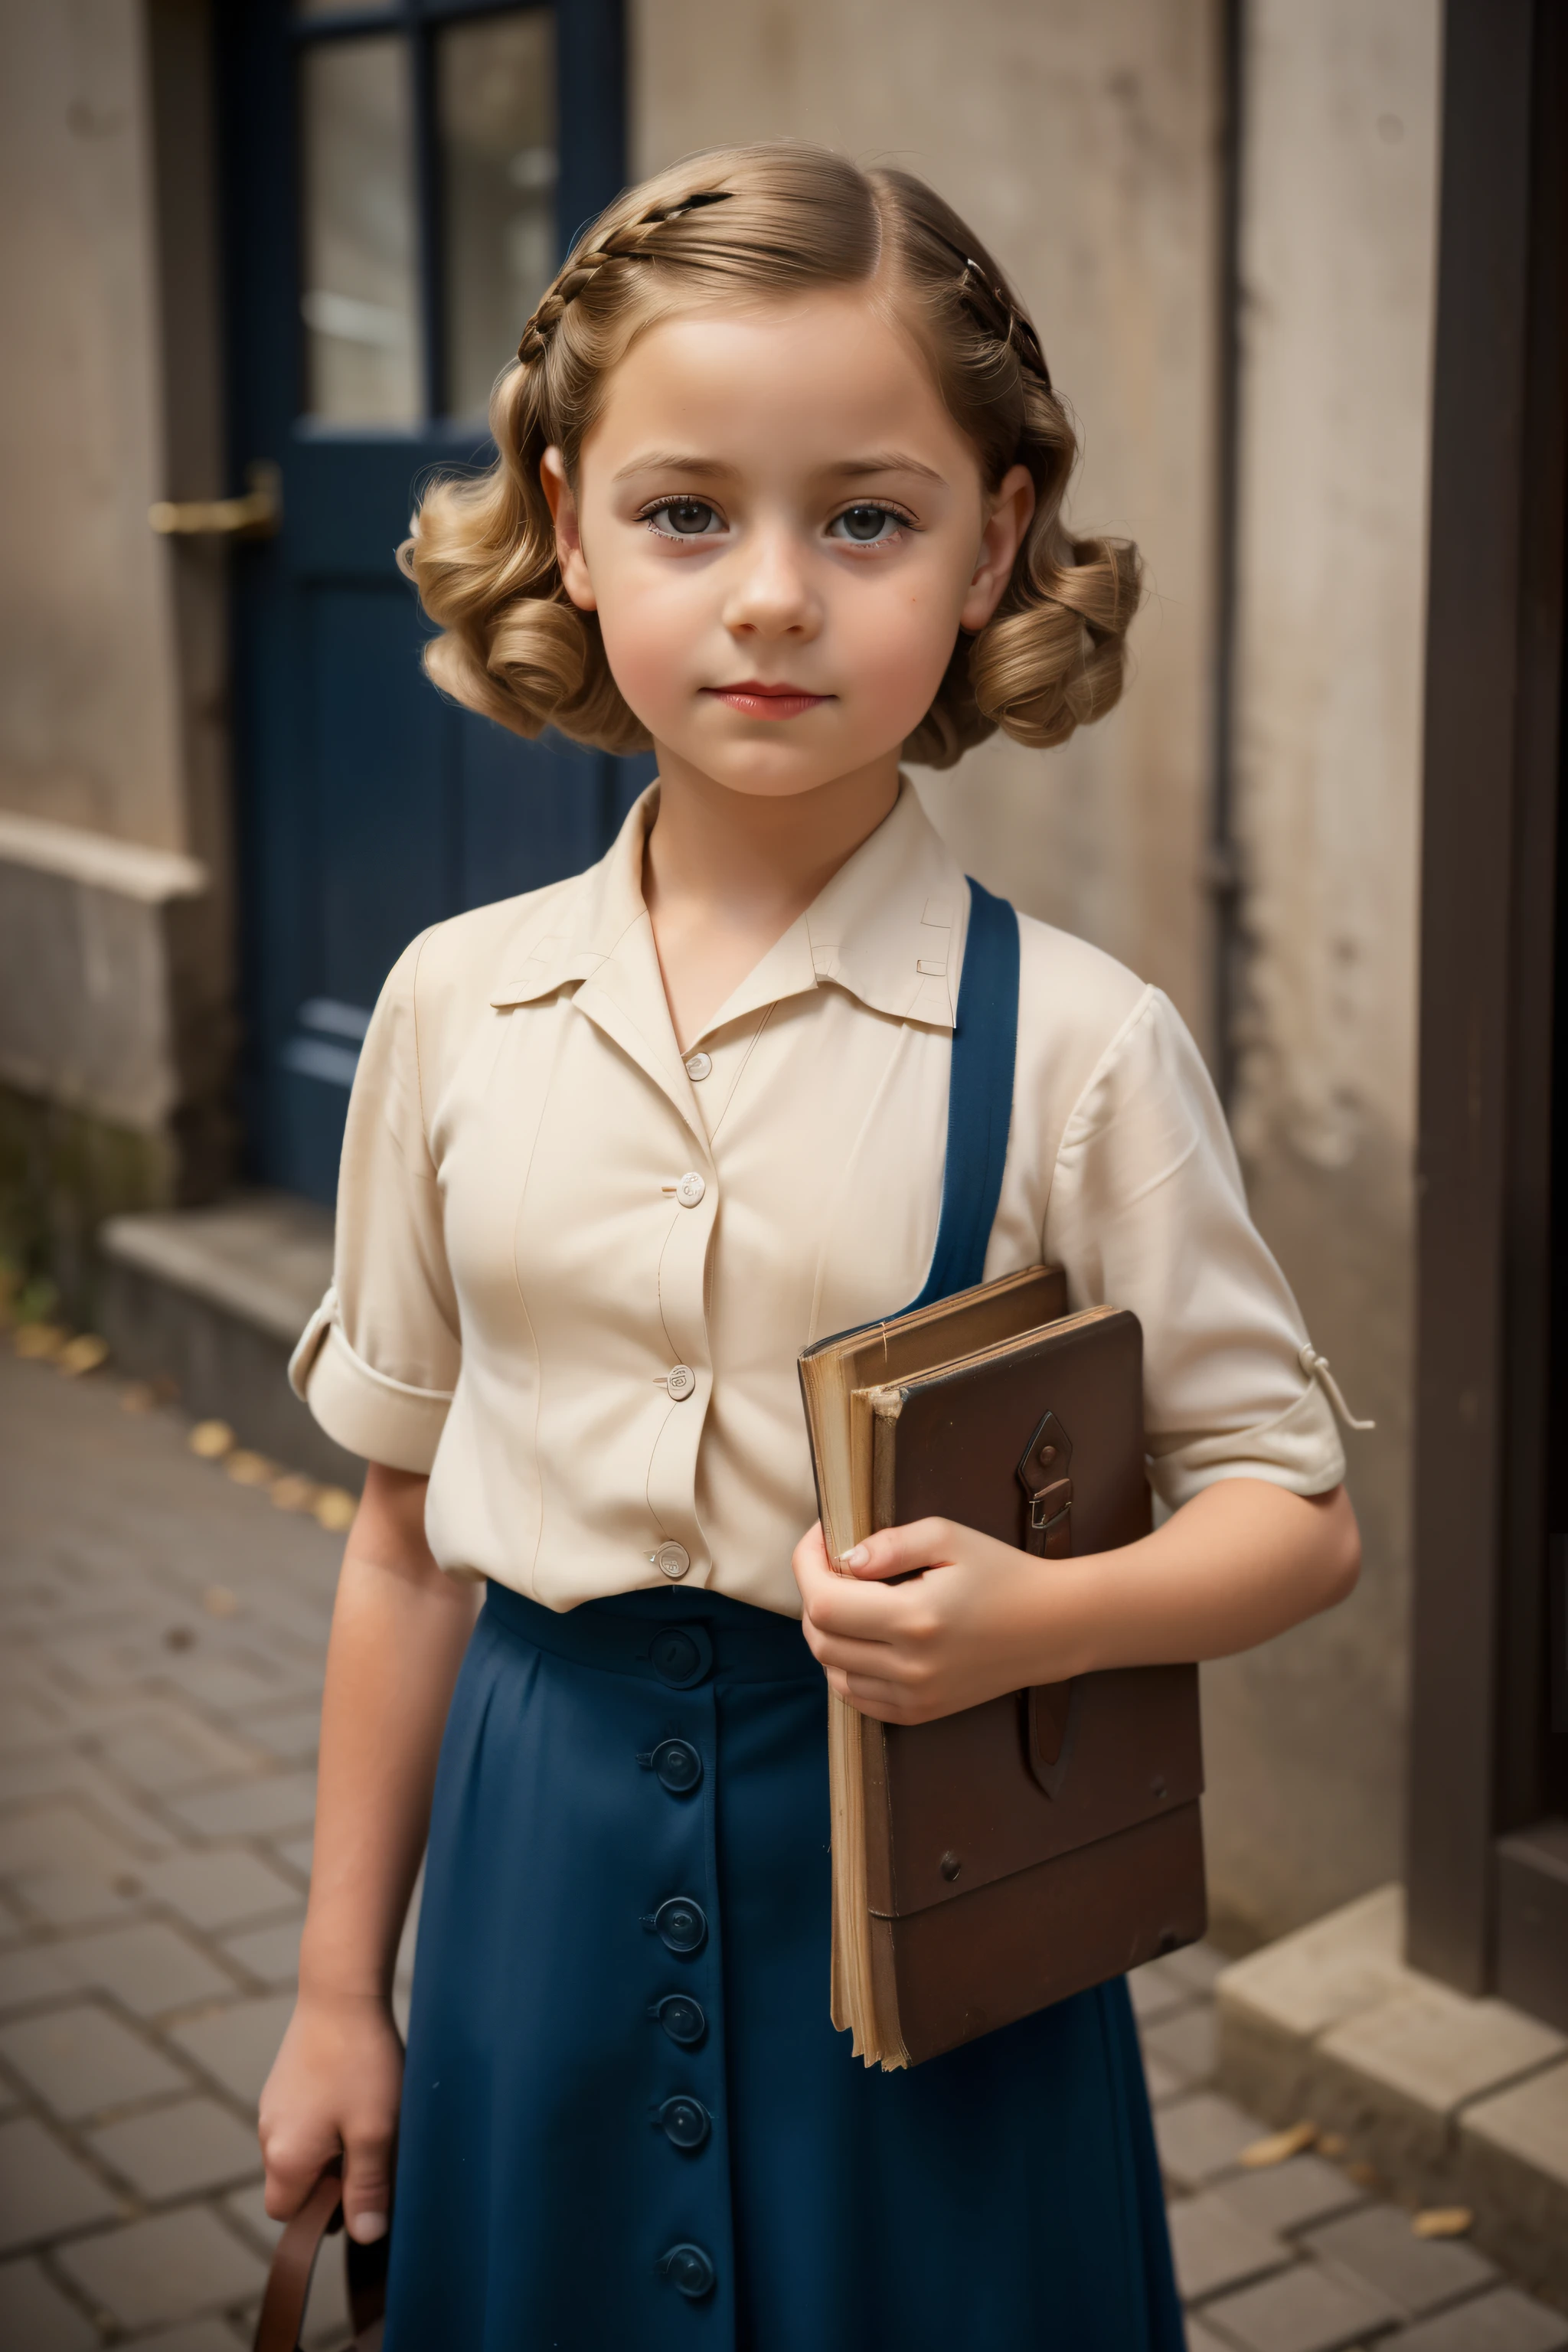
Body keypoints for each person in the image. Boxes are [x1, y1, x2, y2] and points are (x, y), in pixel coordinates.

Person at [260, 144, 1362, 2349]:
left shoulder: (1076, 1045)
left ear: (993, 543)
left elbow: (1298, 1514)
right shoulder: (456, 1007)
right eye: (688, 513)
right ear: (568, 522)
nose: (771, 595)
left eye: (865, 515)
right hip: (531, 1894)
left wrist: (1049, 1614)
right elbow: (401, 1544)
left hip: (939, 1930)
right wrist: (329, 1999)